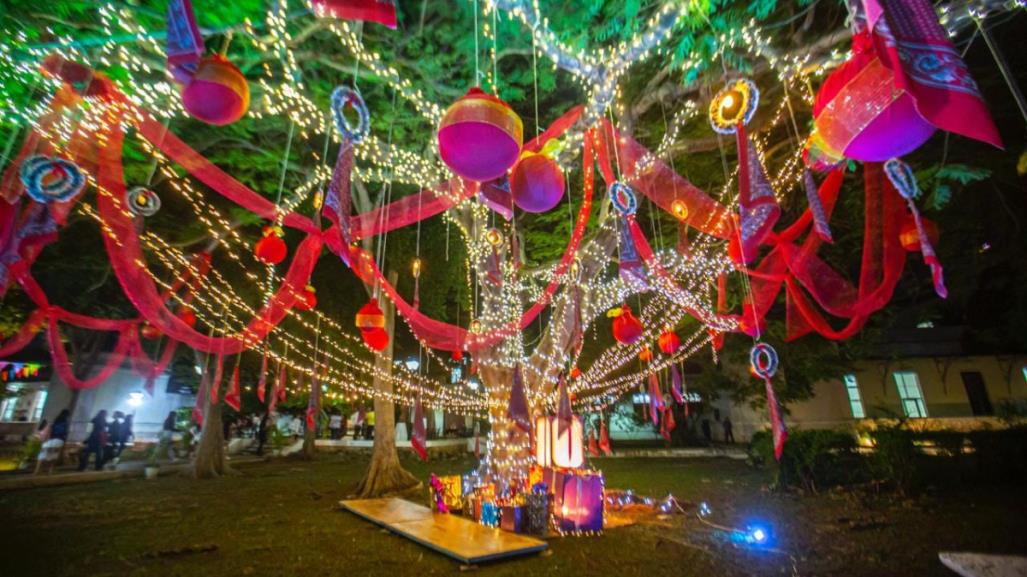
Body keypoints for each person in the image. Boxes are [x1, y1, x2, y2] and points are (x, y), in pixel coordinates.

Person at [36, 409, 70, 475]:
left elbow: (50, 430)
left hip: (51, 439)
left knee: (42, 455)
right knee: (54, 456)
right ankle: (50, 471)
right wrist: (64, 442)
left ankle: (36, 471)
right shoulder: (65, 422)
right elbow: (65, 433)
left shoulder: (56, 420)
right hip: (60, 440)